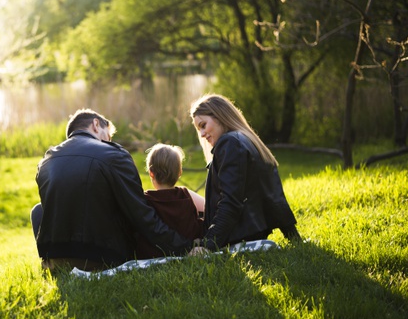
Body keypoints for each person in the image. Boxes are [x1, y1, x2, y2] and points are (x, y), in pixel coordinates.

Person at [31, 109, 194, 272]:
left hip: (54, 261)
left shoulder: (46, 161)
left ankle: (52, 264)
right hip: (102, 259)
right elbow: (142, 215)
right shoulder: (114, 154)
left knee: (38, 210)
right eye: (108, 137)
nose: (108, 141)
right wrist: (186, 246)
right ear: (96, 124)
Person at [189, 94, 302, 251]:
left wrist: (208, 245)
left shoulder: (229, 144)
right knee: (185, 195)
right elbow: (274, 195)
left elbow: (231, 201)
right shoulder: (246, 140)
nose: (201, 134)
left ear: (220, 117)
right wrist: (294, 237)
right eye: (198, 129)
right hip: (247, 233)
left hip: (236, 237)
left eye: (203, 125)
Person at [135, 143, 205, 259]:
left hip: (155, 253)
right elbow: (208, 207)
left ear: (151, 173)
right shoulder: (186, 194)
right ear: (180, 173)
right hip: (189, 246)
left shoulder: (145, 199)